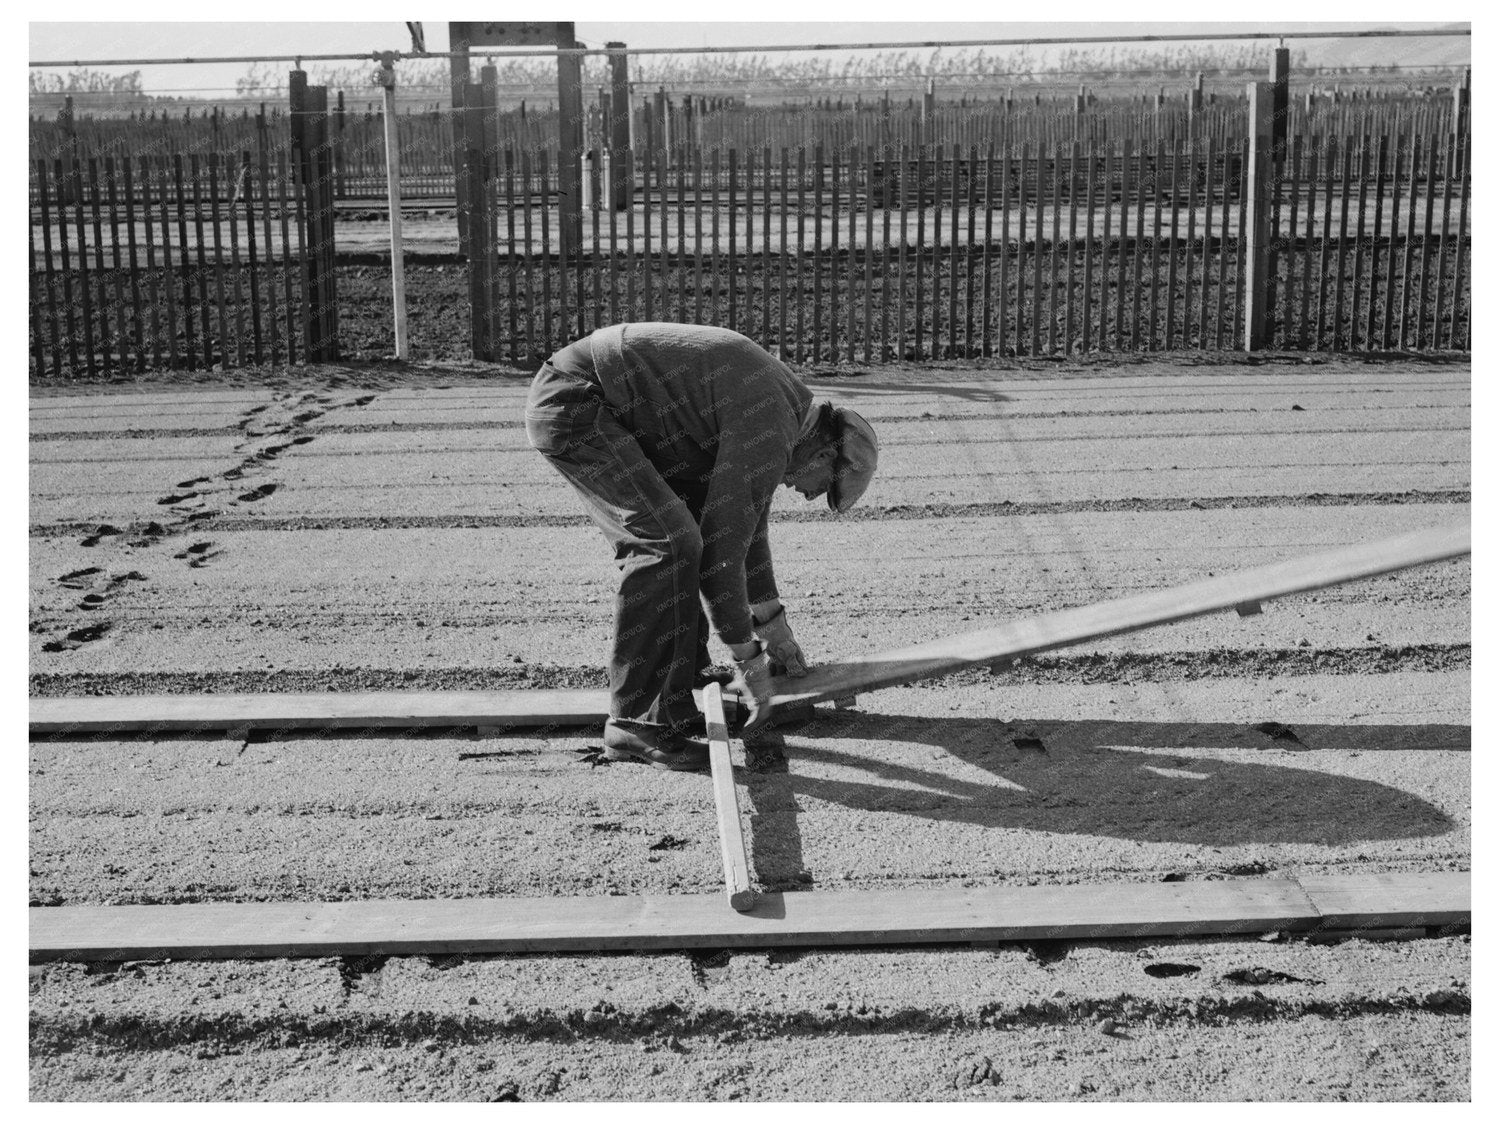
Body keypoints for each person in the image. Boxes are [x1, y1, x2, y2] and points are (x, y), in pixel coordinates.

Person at [524, 322, 879, 771]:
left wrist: (774, 631)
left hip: (604, 402)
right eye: (821, 487)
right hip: (578, 402)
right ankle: (636, 723)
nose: (807, 494)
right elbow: (722, 557)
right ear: (825, 454)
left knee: (684, 533)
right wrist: (749, 661)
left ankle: (681, 687)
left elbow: (747, 535)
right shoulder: (772, 424)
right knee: (668, 544)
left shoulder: (782, 414)